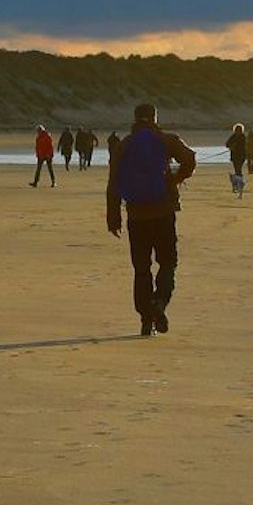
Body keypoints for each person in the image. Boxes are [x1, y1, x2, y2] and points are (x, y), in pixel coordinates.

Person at [106, 102, 197, 337]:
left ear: (135, 119)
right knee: (168, 262)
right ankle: (159, 302)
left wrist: (113, 217)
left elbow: (114, 183)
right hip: (164, 212)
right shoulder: (167, 140)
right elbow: (190, 159)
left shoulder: (124, 145)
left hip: (136, 216)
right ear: (155, 118)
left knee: (141, 269)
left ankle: (146, 320)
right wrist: (175, 179)